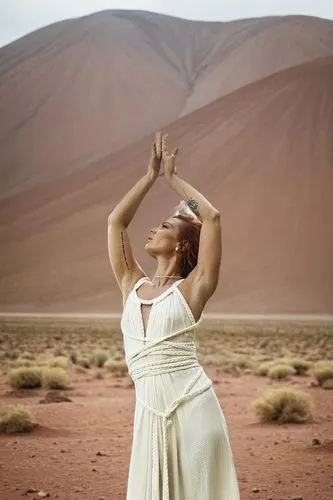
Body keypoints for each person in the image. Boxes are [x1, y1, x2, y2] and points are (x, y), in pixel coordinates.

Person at [108, 132, 240, 500]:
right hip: (149, 414)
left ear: (182, 244)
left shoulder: (193, 289)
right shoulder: (130, 285)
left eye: (164, 226)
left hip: (193, 409)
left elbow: (211, 217)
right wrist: (148, 177)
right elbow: (116, 222)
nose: (151, 229)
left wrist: (171, 178)